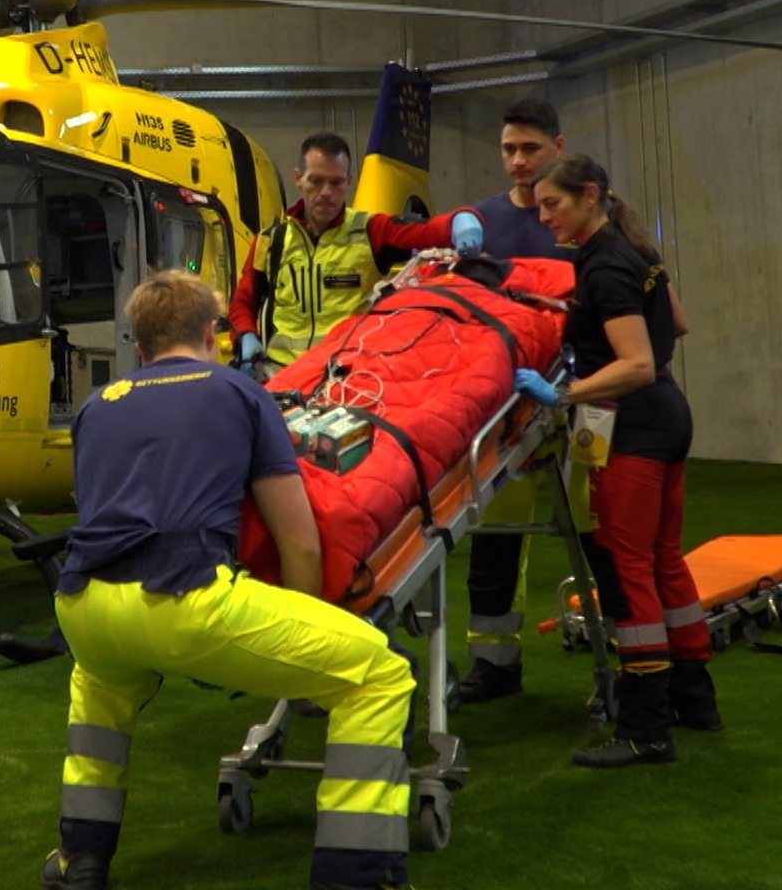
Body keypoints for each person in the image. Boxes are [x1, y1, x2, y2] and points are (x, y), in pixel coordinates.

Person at [44, 270, 417, 890]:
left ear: (139, 347)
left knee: (100, 698)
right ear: (213, 333)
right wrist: (298, 649)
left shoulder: (94, 406)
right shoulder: (240, 394)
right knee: (377, 674)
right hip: (186, 601)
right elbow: (298, 538)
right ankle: (357, 873)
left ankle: (80, 860)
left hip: (83, 608)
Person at [512, 153, 718, 768]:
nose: (543, 215)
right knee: (662, 559)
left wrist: (565, 393)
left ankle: (646, 729)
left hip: (633, 425)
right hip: (668, 413)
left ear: (590, 196)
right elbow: (676, 324)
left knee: (628, 568)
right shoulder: (636, 248)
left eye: (553, 203)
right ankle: (696, 701)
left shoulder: (603, 266)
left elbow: (631, 363)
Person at [454, 98, 580, 703]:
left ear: (558, 148)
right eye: (508, 149)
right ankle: (494, 663)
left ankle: (629, 668)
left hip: (583, 400)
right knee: (496, 541)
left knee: (599, 538)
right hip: (507, 408)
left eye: (530, 148)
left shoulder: (582, 220)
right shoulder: (481, 221)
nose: (518, 161)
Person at [229, 131, 483, 374]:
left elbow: (425, 231)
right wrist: (245, 335)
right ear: (298, 178)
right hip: (281, 373)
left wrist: (460, 219)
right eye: (316, 181)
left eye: (336, 182)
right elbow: (243, 301)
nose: (326, 192)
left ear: (349, 181)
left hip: (346, 373)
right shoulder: (270, 242)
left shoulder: (370, 231)